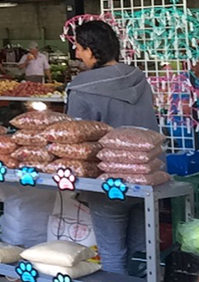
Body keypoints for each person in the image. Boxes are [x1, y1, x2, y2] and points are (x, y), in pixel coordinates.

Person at [66, 20, 158, 276]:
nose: (77, 54)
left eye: (80, 48)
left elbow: (75, 142)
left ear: (92, 50)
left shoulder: (82, 88)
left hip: (106, 185)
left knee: (112, 256)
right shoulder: (139, 79)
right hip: (147, 177)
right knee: (142, 254)